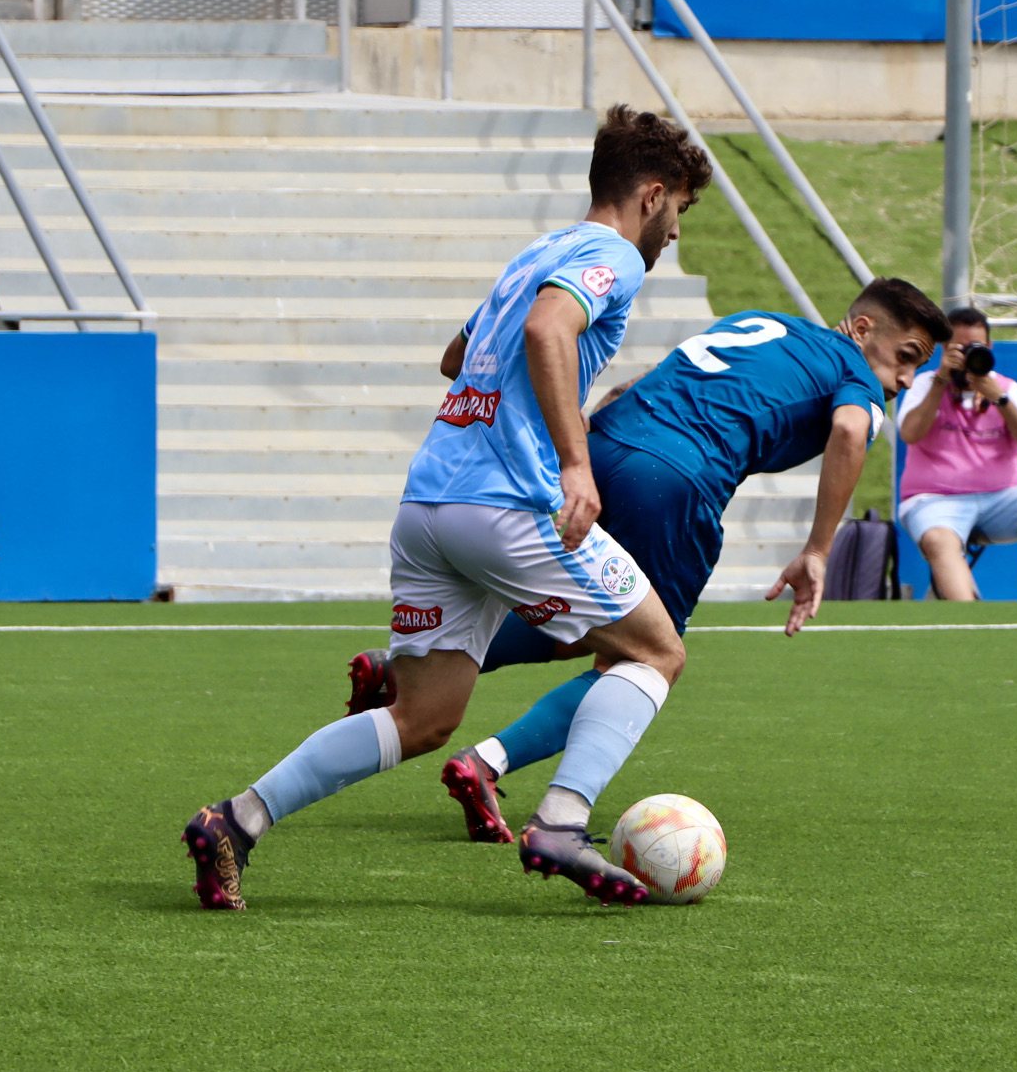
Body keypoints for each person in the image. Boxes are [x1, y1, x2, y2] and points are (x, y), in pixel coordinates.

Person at [181, 105, 714, 911]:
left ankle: (237, 819)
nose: (674, 230)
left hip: (430, 504)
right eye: (678, 208)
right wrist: (574, 461)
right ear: (650, 194)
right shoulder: (611, 253)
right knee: (655, 652)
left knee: (424, 717)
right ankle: (563, 821)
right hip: (508, 505)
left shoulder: (536, 251)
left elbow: (457, 356)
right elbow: (547, 330)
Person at [342, 278, 951, 843]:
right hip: (674, 482)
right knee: (647, 658)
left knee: (585, 627)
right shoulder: (856, 374)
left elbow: (645, 383)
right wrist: (818, 549)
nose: (904, 379)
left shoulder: (762, 322)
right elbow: (849, 432)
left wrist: (591, 452)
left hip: (605, 444)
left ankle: (402, 669)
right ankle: (490, 765)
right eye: (906, 355)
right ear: (864, 328)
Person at [895, 306, 1017, 602]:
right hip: (933, 500)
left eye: (975, 347)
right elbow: (910, 434)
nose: (967, 356)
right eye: (958, 348)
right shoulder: (925, 384)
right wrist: (941, 382)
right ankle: (970, 615)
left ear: (989, 348)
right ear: (945, 349)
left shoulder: (1007, 389)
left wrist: (999, 398)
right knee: (939, 539)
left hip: (999, 498)